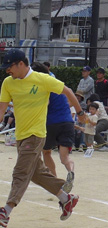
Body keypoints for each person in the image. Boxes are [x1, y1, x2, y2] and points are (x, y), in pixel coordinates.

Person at [0, 49, 85, 228]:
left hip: (36, 134)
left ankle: (5, 211)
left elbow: (67, 91)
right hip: (21, 135)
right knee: (36, 174)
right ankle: (66, 198)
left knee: (21, 172)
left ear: (21, 64)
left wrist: (81, 112)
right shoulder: (8, 83)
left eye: (10, 67)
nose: (7, 71)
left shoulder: (42, 79)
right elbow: (0, 109)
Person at [31, 62, 75, 192]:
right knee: (65, 157)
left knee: (46, 152)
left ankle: (55, 182)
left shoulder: (42, 83)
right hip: (67, 121)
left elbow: (46, 103)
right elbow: (70, 98)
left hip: (51, 123)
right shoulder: (55, 80)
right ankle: (70, 171)